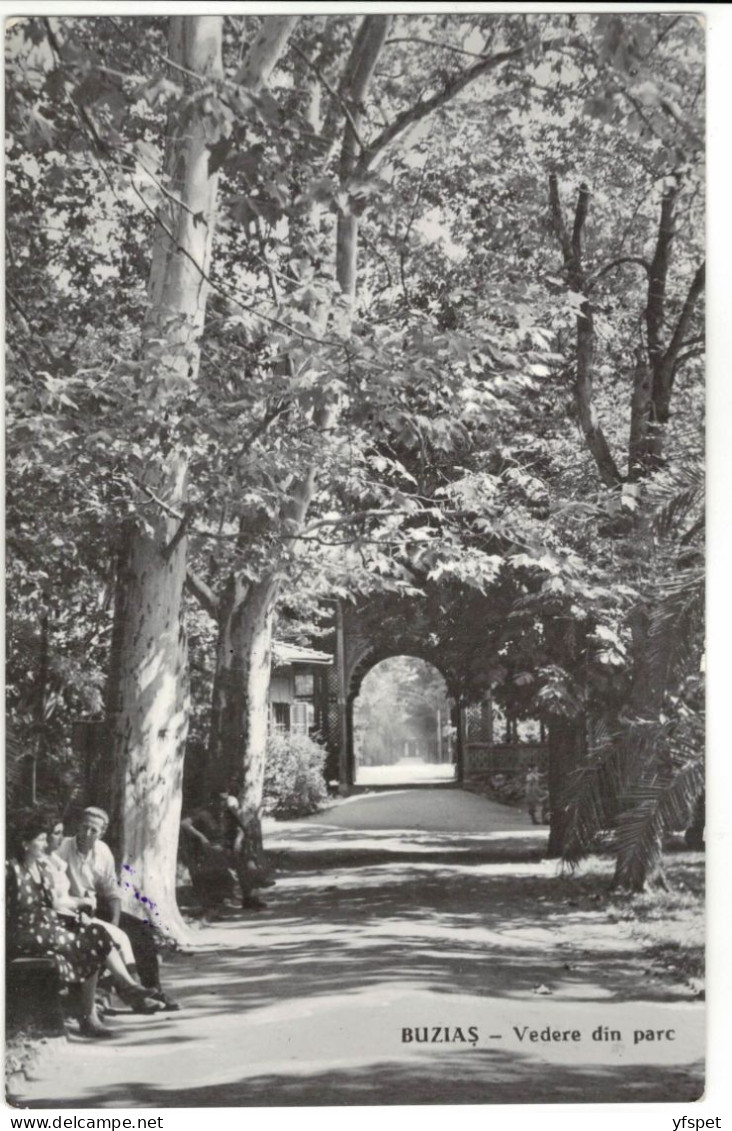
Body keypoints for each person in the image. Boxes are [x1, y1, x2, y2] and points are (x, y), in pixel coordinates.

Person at [6, 814, 157, 1038]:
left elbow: (54, 902)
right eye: (40, 839)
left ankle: (97, 1011)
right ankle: (104, 1005)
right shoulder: (10, 870)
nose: (46, 844)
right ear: (25, 843)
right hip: (24, 934)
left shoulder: (43, 869)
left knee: (95, 933)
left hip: (47, 929)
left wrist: (78, 909)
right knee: (91, 940)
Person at [56, 807, 180, 1012]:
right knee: (114, 935)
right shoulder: (63, 849)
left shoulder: (102, 852)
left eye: (93, 830)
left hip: (95, 907)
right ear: (78, 826)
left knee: (141, 931)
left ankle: (152, 989)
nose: (87, 834)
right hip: (71, 909)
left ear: (101, 833)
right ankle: (137, 998)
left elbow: (112, 891)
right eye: (84, 827)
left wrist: (115, 921)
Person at [181, 792, 273, 914]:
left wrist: (238, 841)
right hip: (212, 846)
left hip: (228, 846)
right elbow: (184, 823)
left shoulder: (228, 813)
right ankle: (220, 901)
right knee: (225, 861)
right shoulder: (203, 813)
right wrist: (201, 837)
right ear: (213, 801)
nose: (223, 803)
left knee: (248, 863)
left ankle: (250, 898)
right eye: (220, 800)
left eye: (225, 800)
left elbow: (240, 829)